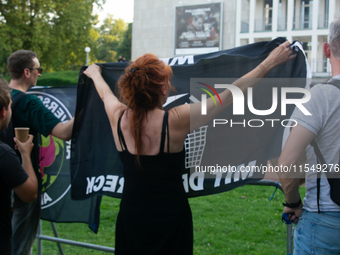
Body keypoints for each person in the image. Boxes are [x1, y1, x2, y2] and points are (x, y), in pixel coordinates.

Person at [83, 40, 295, 254]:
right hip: (171, 217)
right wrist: (268, 63)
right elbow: (229, 95)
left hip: (132, 216)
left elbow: (104, 93)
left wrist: (95, 74)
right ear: (163, 90)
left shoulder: (117, 116)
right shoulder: (175, 119)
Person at [278, 18, 340, 254]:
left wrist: (293, 202)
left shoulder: (320, 97)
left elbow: (287, 164)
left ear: (326, 49)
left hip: (325, 220)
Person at [7, 50, 74, 255]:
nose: (40, 74)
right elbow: (63, 133)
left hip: (3, 175)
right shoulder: (28, 102)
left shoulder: (3, 95)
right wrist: (87, 107)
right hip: (22, 180)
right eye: (39, 69)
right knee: (19, 246)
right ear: (27, 72)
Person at [0, 80, 37, 255]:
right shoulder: (4, 155)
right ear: (3, 112)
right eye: (10, 106)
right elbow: (30, 194)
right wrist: (25, 155)